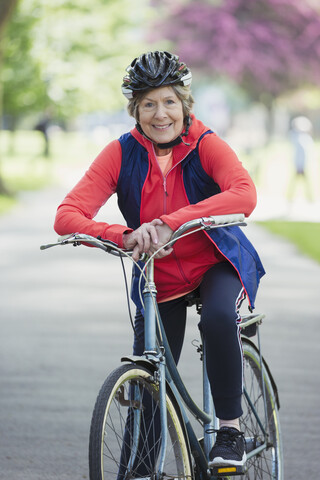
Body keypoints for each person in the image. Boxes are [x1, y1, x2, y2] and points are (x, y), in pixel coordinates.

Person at [54, 51, 265, 469]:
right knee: (150, 368)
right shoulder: (121, 153)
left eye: (169, 101)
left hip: (213, 259)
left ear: (184, 104)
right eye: (148, 103)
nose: (160, 113)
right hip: (159, 273)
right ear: (135, 110)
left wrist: (171, 222)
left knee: (218, 318)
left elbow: (244, 193)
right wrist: (126, 235)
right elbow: (67, 216)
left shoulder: (205, 143)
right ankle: (144, 465)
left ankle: (230, 431)